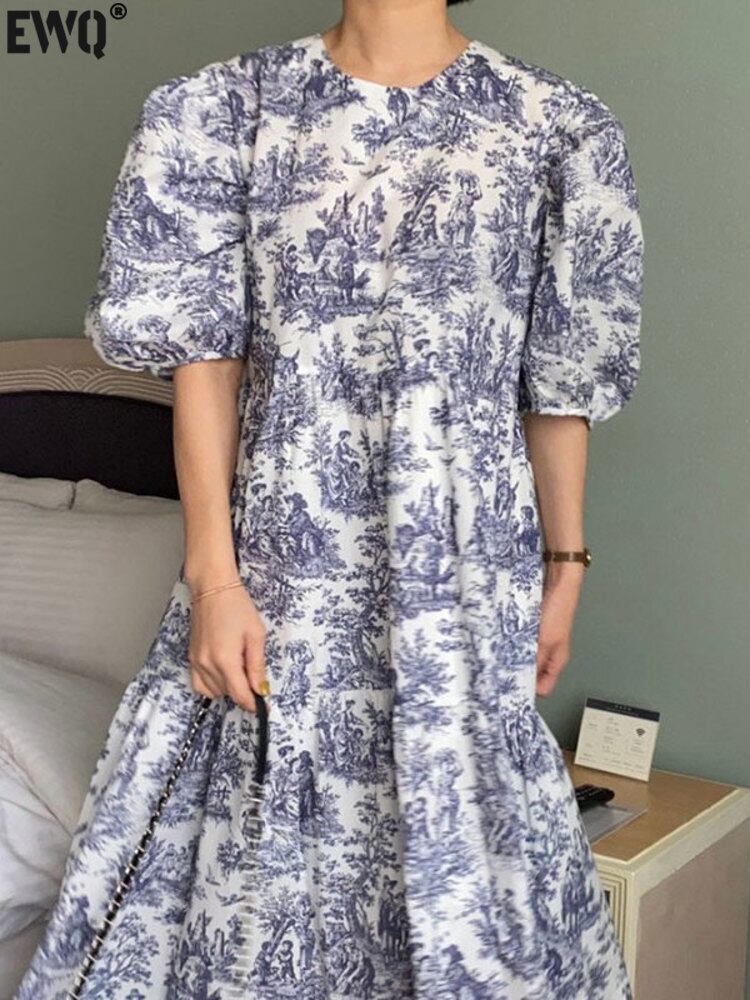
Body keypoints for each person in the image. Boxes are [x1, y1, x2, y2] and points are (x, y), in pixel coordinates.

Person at [16, 0, 644, 997]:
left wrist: (565, 565)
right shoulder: (220, 109)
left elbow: (559, 387)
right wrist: (214, 579)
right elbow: (205, 363)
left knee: (471, 845)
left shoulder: (559, 126)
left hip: (467, 570)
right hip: (289, 557)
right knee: (264, 852)